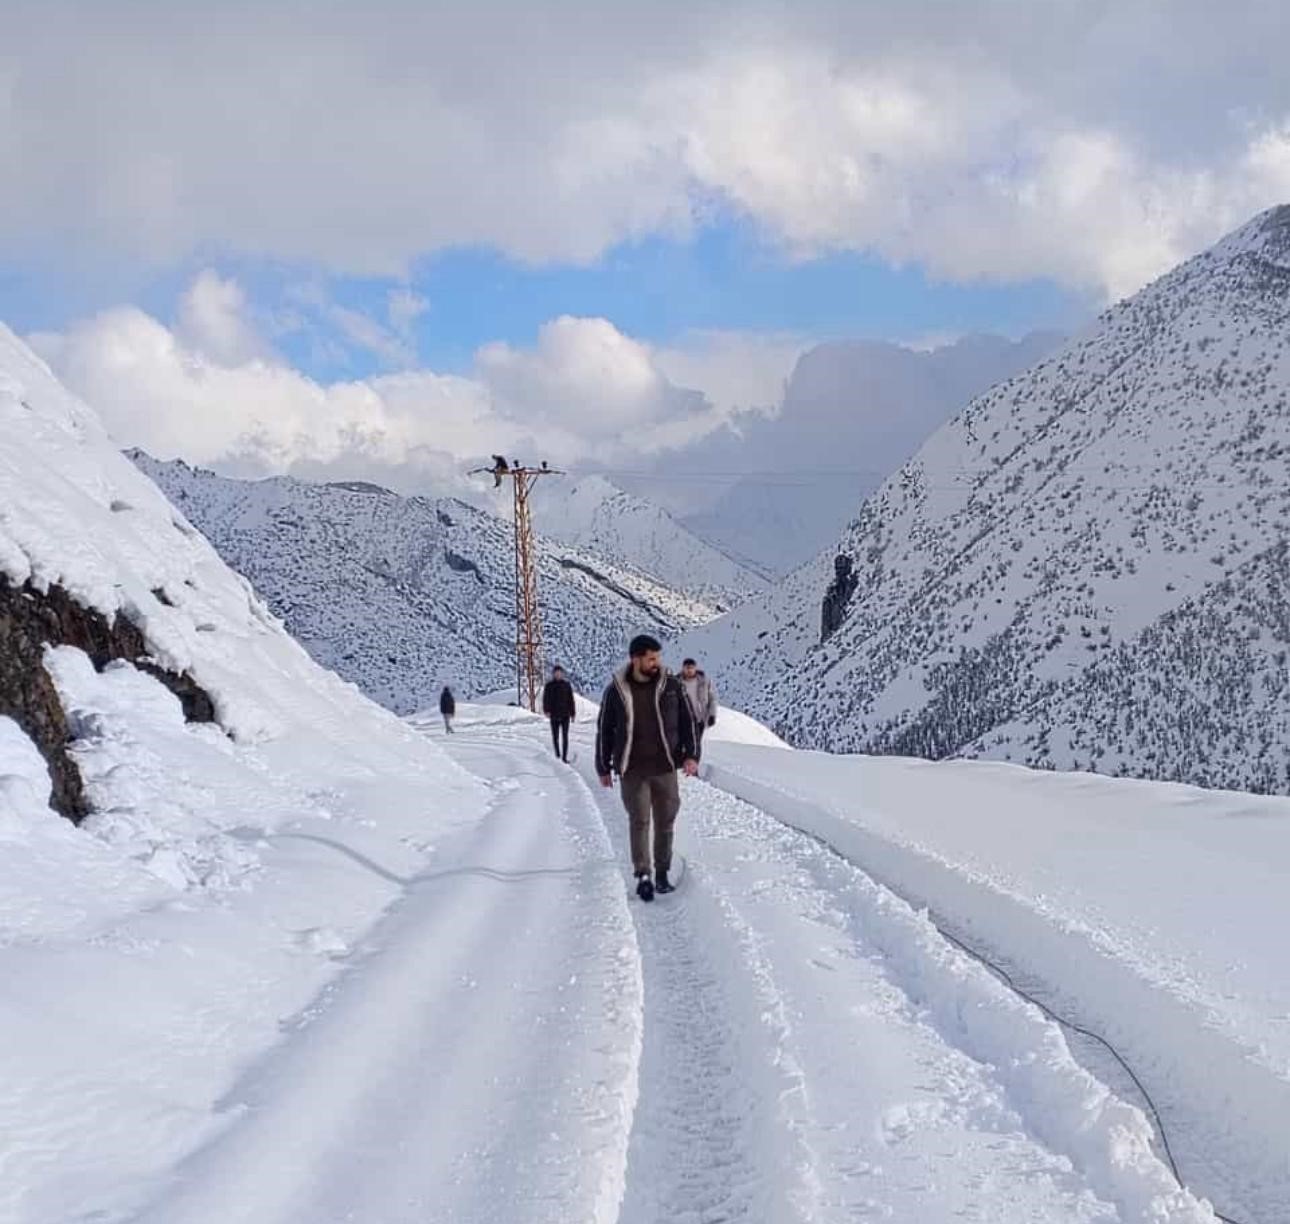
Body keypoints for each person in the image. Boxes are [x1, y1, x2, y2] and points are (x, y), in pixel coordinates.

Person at [595, 634, 699, 901]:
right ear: (636, 659)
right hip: (632, 769)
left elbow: (688, 723)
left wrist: (692, 755)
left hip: (665, 766)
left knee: (666, 821)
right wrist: (603, 767)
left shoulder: (672, 686)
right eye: (651, 659)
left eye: (658, 658)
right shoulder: (616, 690)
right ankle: (643, 874)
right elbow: (604, 730)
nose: (656, 663)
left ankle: (662, 874)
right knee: (639, 821)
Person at [679, 657, 718, 750]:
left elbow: (712, 699)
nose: (689, 670)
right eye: (687, 668)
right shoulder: (677, 682)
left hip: (699, 719)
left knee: (695, 745)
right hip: (682, 719)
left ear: (695, 668)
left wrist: (712, 715)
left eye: (691, 668)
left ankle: (693, 762)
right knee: (682, 743)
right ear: (683, 668)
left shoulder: (703, 682)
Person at [541, 664, 576, 762]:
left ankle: (564, 757)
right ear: (553, 674)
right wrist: (546, 710)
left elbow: (571, 700)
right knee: (555, 736)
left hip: (565, 714)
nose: (558, 675)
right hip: (554, 714)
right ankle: (557, 755)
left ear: (562, 674)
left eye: (560, 673)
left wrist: (573, 713)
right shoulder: (549, 686)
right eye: (556, 673)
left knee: (565, 736)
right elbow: (545, 699)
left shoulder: (566, 685)